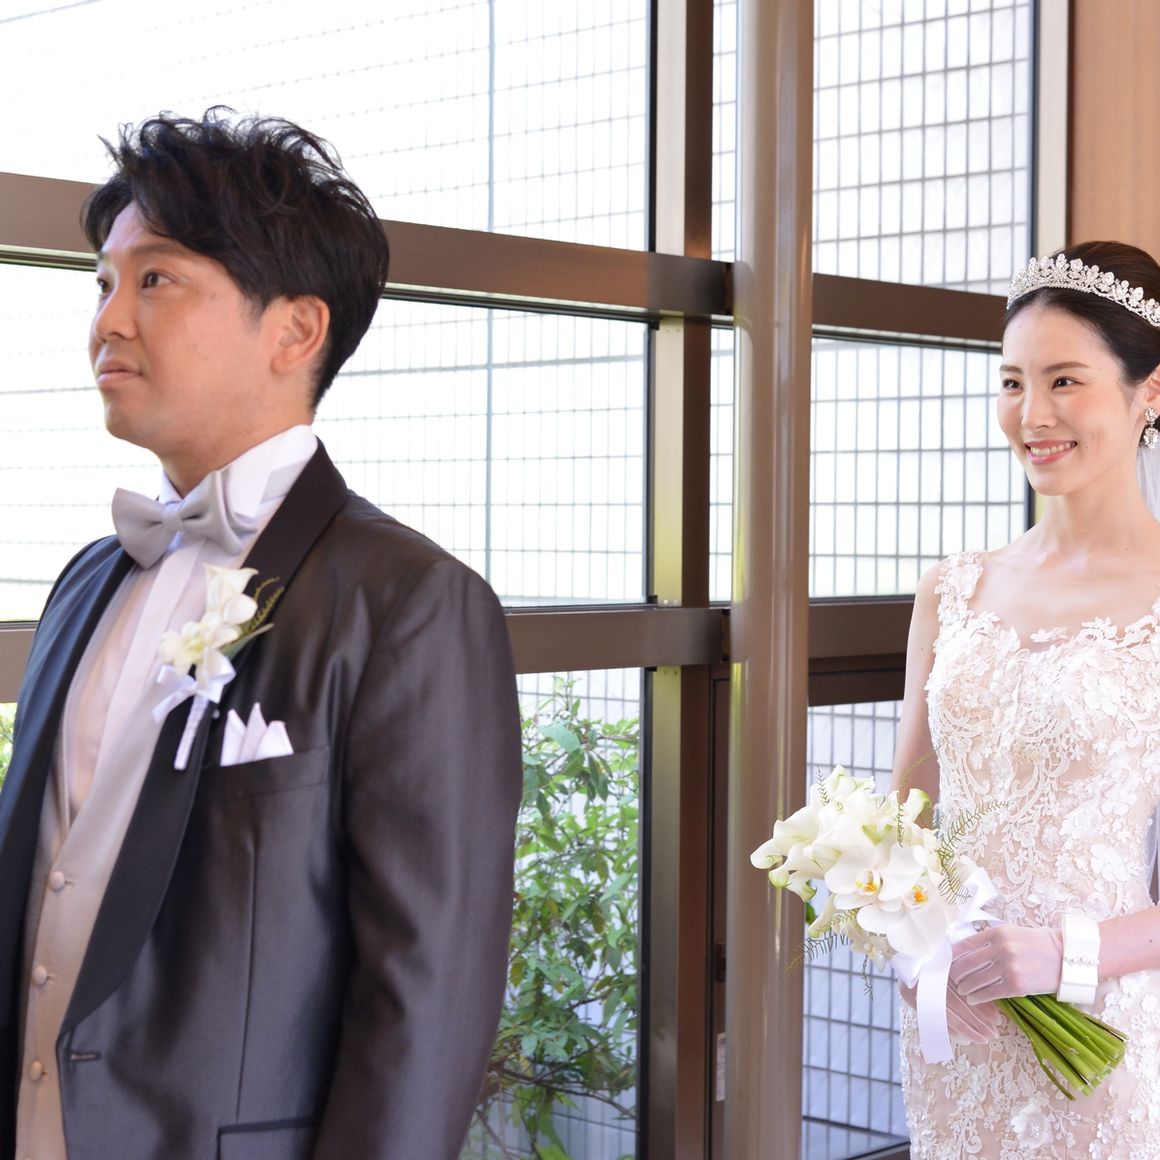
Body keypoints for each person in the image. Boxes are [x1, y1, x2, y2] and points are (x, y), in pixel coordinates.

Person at [0, 109, 522, 1160]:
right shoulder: (86, 581)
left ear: (294, 331)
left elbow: (423, 1001)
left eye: (155, 280)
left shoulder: (412, 603)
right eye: (102, 284)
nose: (109, 320)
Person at [891, 240, 1160, 1158]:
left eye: (1064, 381)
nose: (1031, 414)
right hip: (957, 1029)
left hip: (1104, 1035)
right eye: (1012, 382)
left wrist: (1064, 954)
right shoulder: (950, 589)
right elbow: (906, 817)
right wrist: (910, 947)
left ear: (1149, 392)